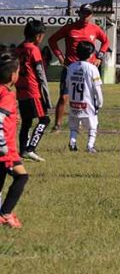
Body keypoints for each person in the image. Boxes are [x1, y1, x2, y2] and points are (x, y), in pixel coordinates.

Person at [48, 4, 110, 131]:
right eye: (83, 13)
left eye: (88, 14)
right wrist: (59, 56)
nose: (86, 16)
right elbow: (52, 40)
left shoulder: (95, 29)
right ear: (79, 13)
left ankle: (88, 123)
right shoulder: (69, 28)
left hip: (88, 69)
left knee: (88, 96)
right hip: (70, 66)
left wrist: (100, 56)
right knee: (64, 96)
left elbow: (106, 41)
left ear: (92, 15)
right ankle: (57, 125)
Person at [15, 20, 52, 162]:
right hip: (33, 90)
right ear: (38, 36)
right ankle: (30, 149)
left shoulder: (18, 48)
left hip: (21, 90)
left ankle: (23, 150)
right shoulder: (34, 50)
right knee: (45, 119)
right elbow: (40, 73)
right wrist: (46, 95)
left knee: (26, 122)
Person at [0, 52, 29, 228]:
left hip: (6, 148)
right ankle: (6, 212)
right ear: (13, 75)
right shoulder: (8, 95)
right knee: (22, 177)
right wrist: (2, 144)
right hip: (5, 149)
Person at [65, 42, 103, 153]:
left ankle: (72, 142)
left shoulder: (71, 67)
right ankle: (90, 145)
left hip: (74, 101)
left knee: (74, 124)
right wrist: (100, 101)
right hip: (88, 102)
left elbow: (67, 83)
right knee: (93, 125)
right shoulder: (92, 69)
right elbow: (97, 87)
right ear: (91, 54)